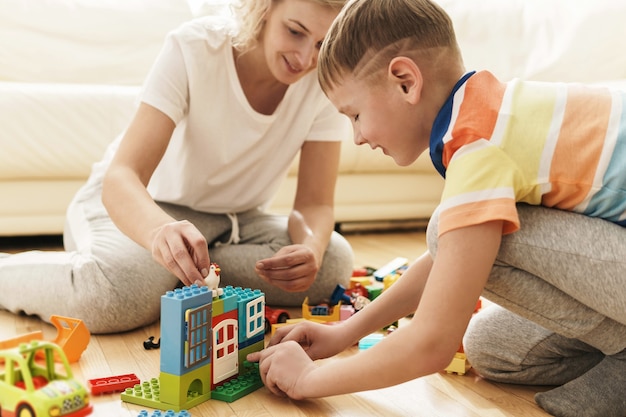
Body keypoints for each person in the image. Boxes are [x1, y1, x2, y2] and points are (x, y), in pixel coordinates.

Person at [247, 1, 626, 416]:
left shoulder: (480, 146)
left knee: (446, 227)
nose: (356, 137)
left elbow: (432, 343)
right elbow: (452, 253)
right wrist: (343, 333)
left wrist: (308, 380)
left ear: (405, 81)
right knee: (491, 346)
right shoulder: (490, 113)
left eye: (355, 115)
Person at [0, 0, 354, 334]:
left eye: (324, 43)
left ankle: (174, 271)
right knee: (112, 296)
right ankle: (156, 269)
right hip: (142, 207)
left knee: (331, 261)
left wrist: (310, 247)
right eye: (295, 31)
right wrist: (158, 234)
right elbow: (123, 176)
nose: (307, 57)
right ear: (263, 8)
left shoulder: (323, 80)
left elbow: (315, 204)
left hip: (233, 223)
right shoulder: (195, 47)